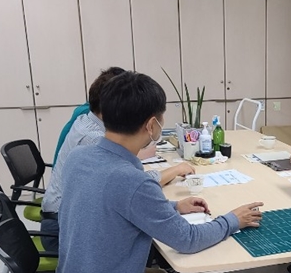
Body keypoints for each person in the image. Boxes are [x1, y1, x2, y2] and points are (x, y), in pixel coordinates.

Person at [54, 71, 263, 273]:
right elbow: (187, 240)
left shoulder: (82, 157)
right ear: (151, 125)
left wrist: (174, 206)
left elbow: (115, 205)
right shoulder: (132, 179)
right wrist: (232, 220)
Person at [40, 67, 194, 252]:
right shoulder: (93, 140)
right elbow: (130, 185)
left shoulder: (85, 122)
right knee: (153, 239)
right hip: (61, 230)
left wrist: (174, 205)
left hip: (70, 223)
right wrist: (174, 171)